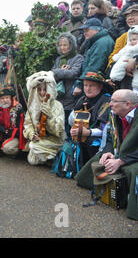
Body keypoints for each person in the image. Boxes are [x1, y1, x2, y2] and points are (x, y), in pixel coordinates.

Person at [75, 89, 138, 221]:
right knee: (98, 162)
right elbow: (111, 137)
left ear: (127, 104)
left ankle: (131, 205)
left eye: (114, 101)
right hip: (121, 153)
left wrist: (121, 161)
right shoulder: (115, 114)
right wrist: (110, 151)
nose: (110, 104)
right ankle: (103, 189)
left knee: (133, 171)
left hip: (133, 157)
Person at [69, 72, 113, 166]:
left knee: (91, 142)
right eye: (85, 85)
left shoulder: (106, 102)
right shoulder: (82, 99)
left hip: (101, 140)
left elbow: (106, 130)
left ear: (100, 87)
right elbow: (71, 120)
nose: (88, 88)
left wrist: (88, 132)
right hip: (82, 135)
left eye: (91, 85)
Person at [23, 71, 65, 165]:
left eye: (45, 89)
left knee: (33, 148)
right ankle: (48, 157)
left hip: (54, 139)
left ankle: (55, 155)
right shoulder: (33, 105)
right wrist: (32, 135)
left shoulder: (57, 105)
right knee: (32, 160)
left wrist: (49, 117)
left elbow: (59, 130)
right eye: (39, 90)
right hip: (39, 139)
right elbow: (28, 124)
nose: (42, 93)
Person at [72, 18, 114, 97]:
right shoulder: (97, 41)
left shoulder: (102, 43)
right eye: (84, 31)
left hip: (96, 85)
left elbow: (95, 66)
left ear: (97, 29)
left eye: (87, 30)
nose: (84, 33)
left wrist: (80, 85)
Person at [51, 32, 84, 132]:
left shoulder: (78, 58)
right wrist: (63, 71)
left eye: (65, 45)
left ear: (71, 45)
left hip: (71, 97)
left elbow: (73, 73)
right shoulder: (59, 59)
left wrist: (59, 72)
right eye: (60, 45)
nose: (62, 47)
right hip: (59, 97)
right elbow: (51, 76)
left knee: (70, 125)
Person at [110, 25, 138, 92]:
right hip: (125, 82)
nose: (132, 42)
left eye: (134, 40)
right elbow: (113, 59)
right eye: (130, 40)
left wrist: (135, 61)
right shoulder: (126, 45)